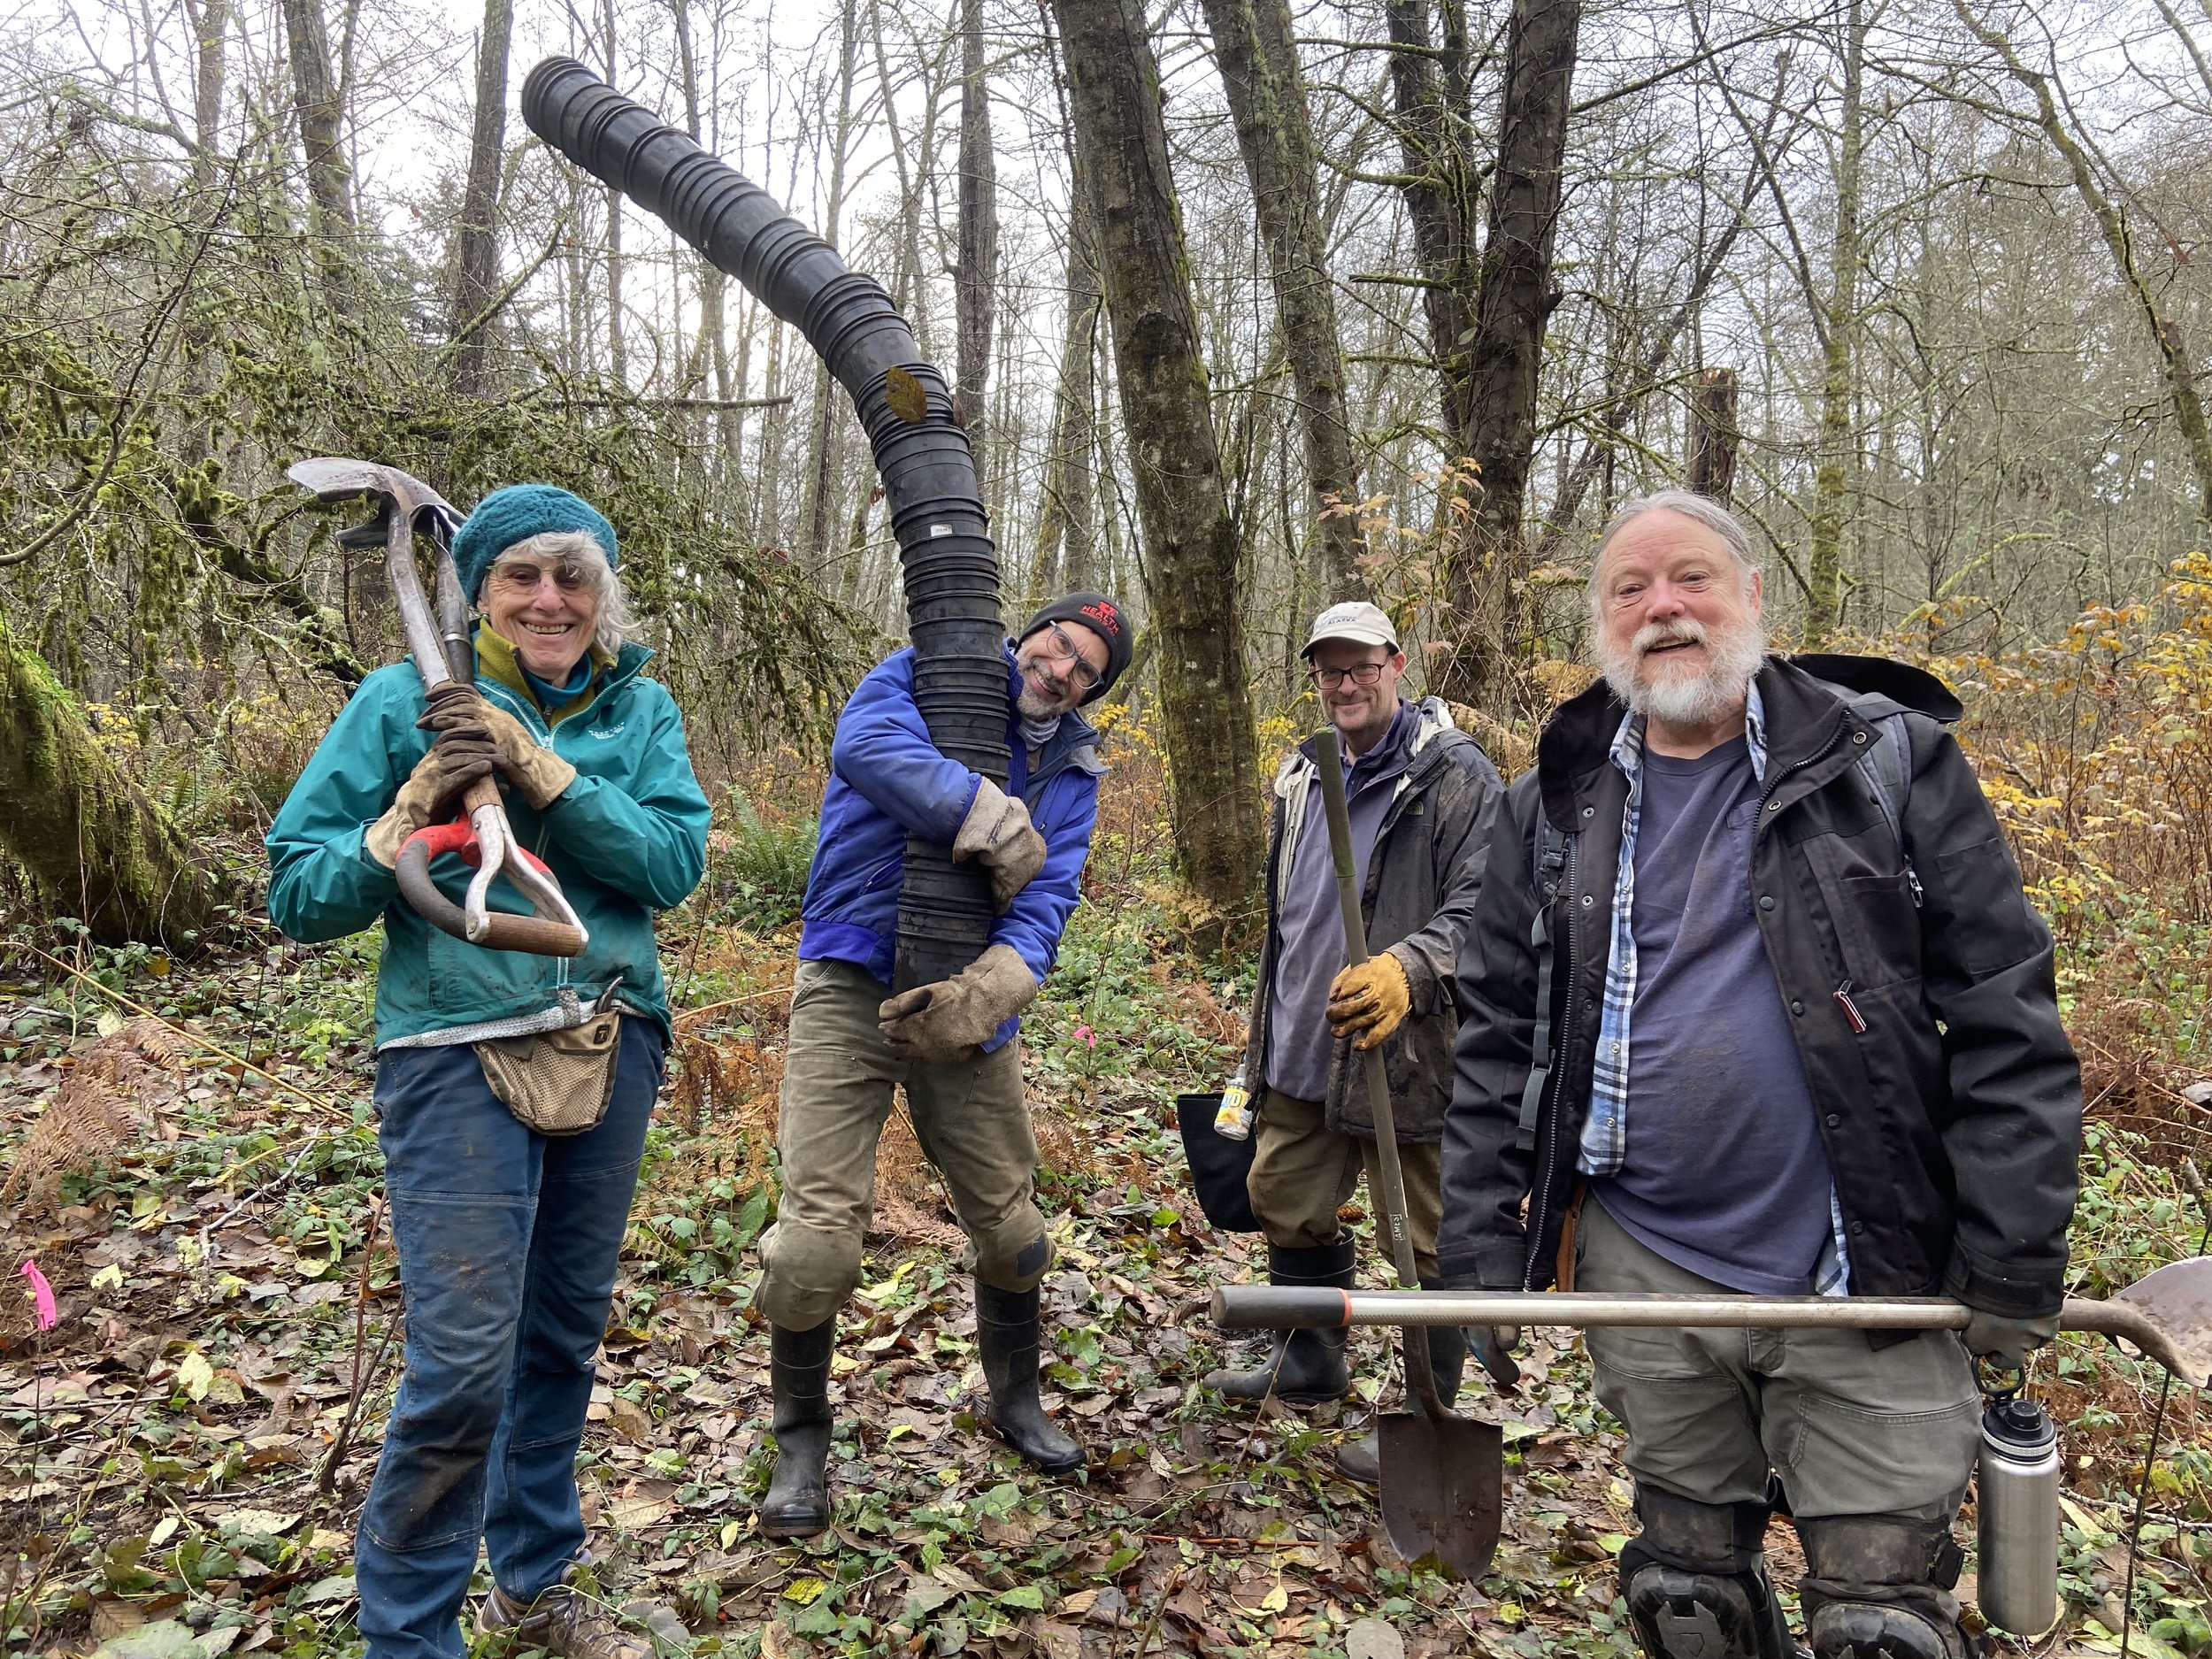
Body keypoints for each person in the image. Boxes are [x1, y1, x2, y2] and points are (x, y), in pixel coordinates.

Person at [1437, 490, 2082, 1659]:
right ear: (1600, 622)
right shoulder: (1551, 803)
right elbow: (1496, 1035)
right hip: (1648, 1266)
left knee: (1885, 1626)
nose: (1662, 607)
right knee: (1688, 1603)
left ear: (1754, 599)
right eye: (1629, 589)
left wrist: (2013, 1252)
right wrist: (1483, 1248)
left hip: (1868, 1267)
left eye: (1690, 577)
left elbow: (2006, 1012)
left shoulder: (1887, 764)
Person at [267, 486, 711, 1659]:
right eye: (521, 575)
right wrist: (414, 801)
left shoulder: (640, 706)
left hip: (610, 1035)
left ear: (602, 592)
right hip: (453, 1049)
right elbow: (300, 892)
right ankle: (409, 1634)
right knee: (465, 1360)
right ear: (479, 591)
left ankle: (531, 1582)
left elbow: (671, 863)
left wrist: (538, 767)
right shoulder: (397, 702)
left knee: (560, 1337)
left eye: (573, 576)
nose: (550, 598)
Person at [753, 592, 1133, 1538]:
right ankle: (800, 1440)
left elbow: (1050, 893)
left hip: (964, 997)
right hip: (851, 973)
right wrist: (988, 814)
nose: (1059, 670)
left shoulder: (1076, 765)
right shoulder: (920, 676)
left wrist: (1002, 980)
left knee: (1014, 1236)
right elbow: (867, 751)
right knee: (814, 1249)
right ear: (1028, 634)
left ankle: (1014, 1399)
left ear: (1095, 689)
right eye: (1055, 645)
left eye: (1085, 668)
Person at [1204, 601, 1503, 1483]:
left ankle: (1426, 1410)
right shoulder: (1305, 770)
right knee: (1282, 1194)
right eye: (1329, 667)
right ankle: (1308, 1362)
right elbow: (1288, 914)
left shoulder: (1453, 775)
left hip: (1405, 1053)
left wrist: (1411, 971)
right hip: (1299, 1033)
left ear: (1395, 666)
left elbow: (1488, 910)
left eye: (1360, 665)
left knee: (1423, 1237)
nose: (1344, 682)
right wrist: (1260, 1026)